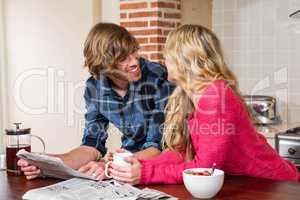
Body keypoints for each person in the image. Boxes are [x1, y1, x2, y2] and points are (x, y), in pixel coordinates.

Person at [107, 24, 300, 185]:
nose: (163, 60)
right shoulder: (189, 96)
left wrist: (145, 173)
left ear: (185, 59)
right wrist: (136, 161)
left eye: (168, 54)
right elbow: (182, 153)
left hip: (275, 185)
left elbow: (204, 169)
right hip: (244, 184)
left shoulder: (216, 96)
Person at [17, 23, 174, 180]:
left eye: (134, 52)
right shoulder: (95, 87)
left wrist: (110, 166)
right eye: (123, 58)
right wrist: (48, 163)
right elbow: (92, 144)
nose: (134, 62)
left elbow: (157, 147)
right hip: (126, 164)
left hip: (163, 166)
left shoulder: (158, 77)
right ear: (104, 65)